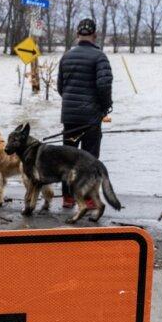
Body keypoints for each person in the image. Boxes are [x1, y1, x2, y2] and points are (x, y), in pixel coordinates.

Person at [56, 18, 113, 209]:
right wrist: (105, 107)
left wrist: (72, 103)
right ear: (94, 35)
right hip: (91, 119)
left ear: (77, 34)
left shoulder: (66, 57)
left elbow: (60, 87)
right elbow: (104, 85)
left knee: (67, 158)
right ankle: (88, 199)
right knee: (89, 158)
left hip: (70, 118)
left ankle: (68, 198)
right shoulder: (100, 57)